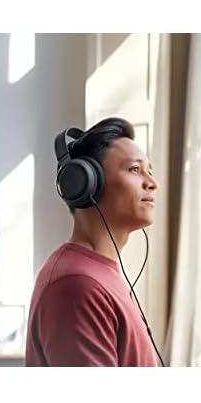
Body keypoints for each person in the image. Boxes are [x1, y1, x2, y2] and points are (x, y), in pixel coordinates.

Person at [25, 117, 161, 366]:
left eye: (149, 172)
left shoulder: (97, 275)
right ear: (86, 183)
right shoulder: (77, 286)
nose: (153, 184)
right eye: (135, 170)